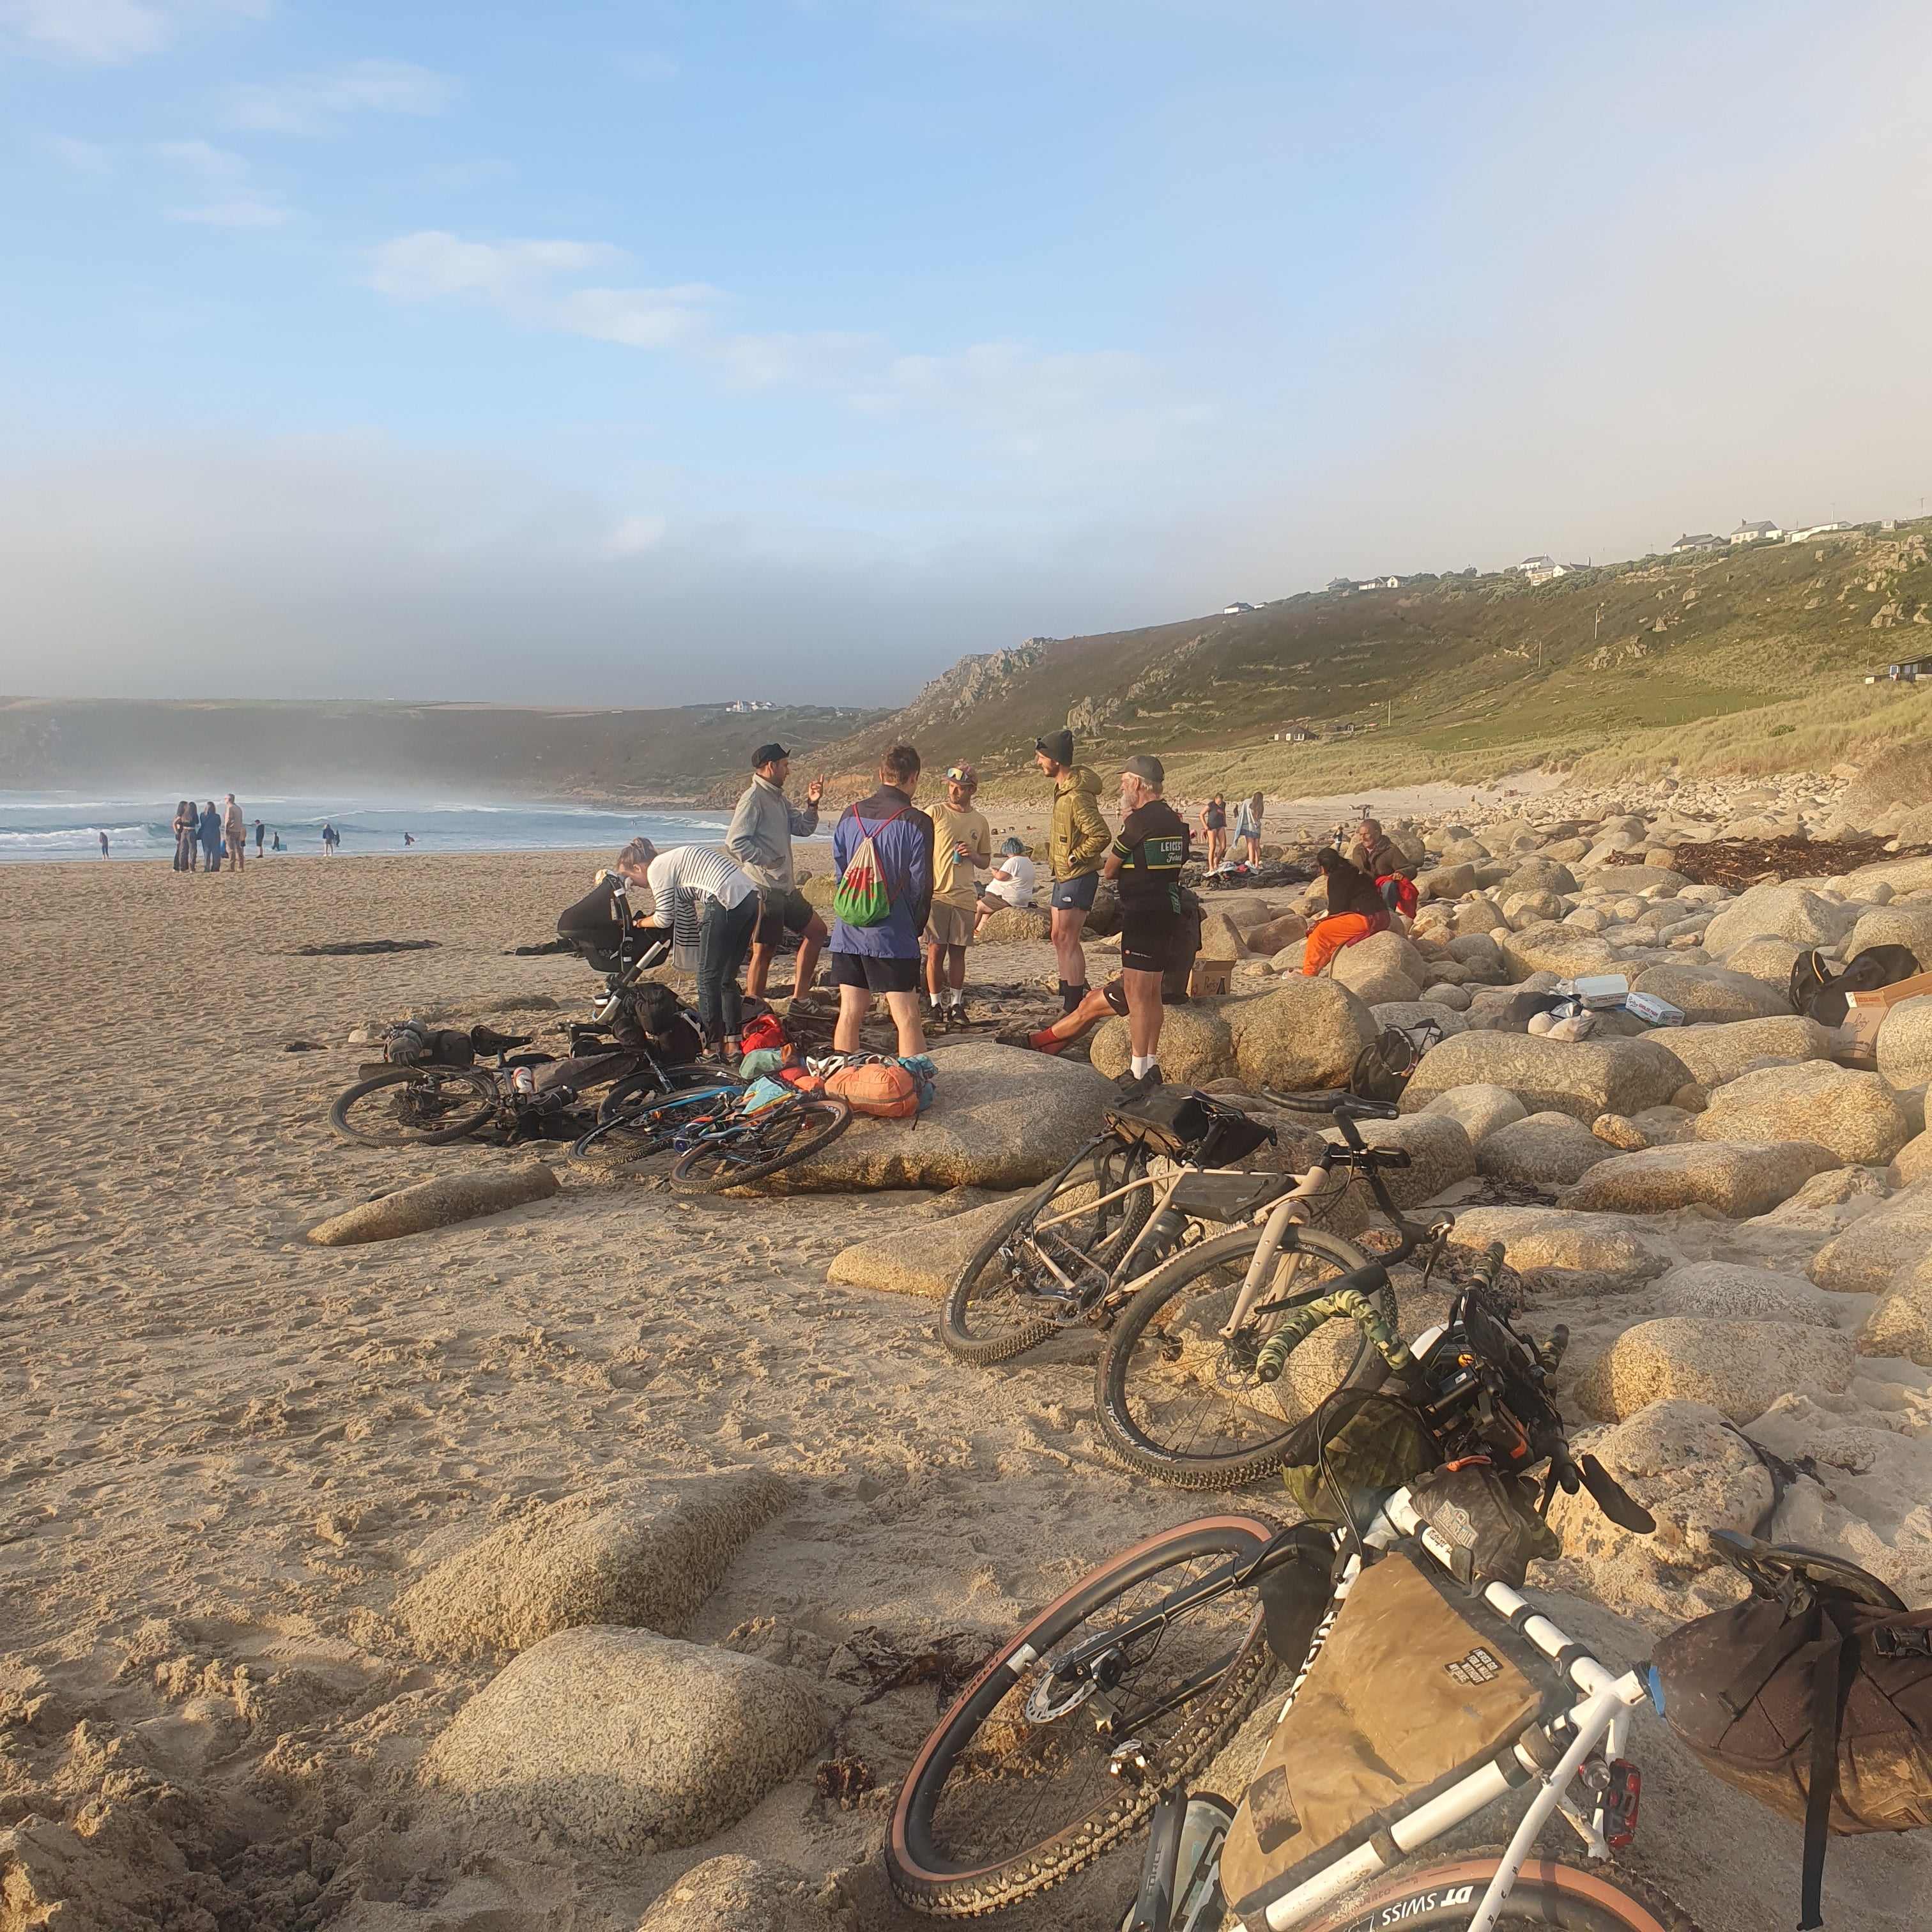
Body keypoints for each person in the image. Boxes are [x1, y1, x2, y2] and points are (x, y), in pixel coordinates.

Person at [829, 744, 933, 1058]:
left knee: (849, 1011)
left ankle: (843, 1082)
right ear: (913, 777)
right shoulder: (916, 822)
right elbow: (921, 884)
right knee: (906, 1017)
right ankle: (913, 1084)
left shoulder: (851, 814)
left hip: (848, 930)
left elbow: (840, 873)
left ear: (881, 775)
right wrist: (914, 926)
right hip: (893, 933)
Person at [1094, 755, 1190, 1096]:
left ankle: (1137, 1071)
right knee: (1152, 993)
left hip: (1142, 911)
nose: (1121, 788)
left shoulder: (1139, 821)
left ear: (1137, 784)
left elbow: (1109, 868)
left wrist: (1126, 823)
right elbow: (1179, 859)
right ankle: (1149, 1064)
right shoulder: (1174, 820)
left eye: (1124, 783)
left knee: (1137, 992)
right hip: (1168, 905)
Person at [617, 835, 760, 1058]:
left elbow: (664, 918)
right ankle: (732, 1044)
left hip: (725, 899)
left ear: (637, 867)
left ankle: (712, 1048)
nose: (635, 885)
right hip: (750, 897)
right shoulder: (670, 860)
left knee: (707, 978)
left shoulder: (656, 869)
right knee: (726, 978)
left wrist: (638, 923)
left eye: (630, 879)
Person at [1014, 890, 1204, 1055]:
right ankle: (1050, 1048)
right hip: (1170, 982)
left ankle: (1035, 1042)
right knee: (1092, 996)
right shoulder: (1188, 911)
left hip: (1156, 988)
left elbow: (1150, 955)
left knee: (1090, 1005)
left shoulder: (1161, 913)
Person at [726, 743, 828, 1006]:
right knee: (763, 951)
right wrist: (766, 861)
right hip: (764, 889)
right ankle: (755, 1009)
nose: (788, 771)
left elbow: (804, 828)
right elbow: (735, 842)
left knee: (817, 932)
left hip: (786, 889)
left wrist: (813, 804)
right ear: (771, 766)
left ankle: (801, 999)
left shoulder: (778, 798)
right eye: (785, 766)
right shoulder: (753, 799)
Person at [1035, 727, 1110, 1012]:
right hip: (1063, 876)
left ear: (1055, 760)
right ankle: (1068, 992)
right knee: (1058, 936)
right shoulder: (1063, 792)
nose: (1038, 762)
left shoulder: (1077, 796)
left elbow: (1101, 835)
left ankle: (1073, 1003)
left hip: (1077, 876)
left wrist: (1076, 857)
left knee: (1068, 938)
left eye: (1042, 757)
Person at [924, 763, 992, 1030]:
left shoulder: (980, 822)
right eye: (952, 786)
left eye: (961, 788)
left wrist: (972, 855)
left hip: (965, 895)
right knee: (935, 950)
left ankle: (956, 1004)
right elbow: (918, 845)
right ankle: (933, 1004)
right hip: (937, 894)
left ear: (972, 790)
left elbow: (986, 861)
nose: (954, 791)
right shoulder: (935, 812)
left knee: (958, 953)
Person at [1301, 847, 1390, 977]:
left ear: (1324, 868)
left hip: (1367, 918)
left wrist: (1320, 921)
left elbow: (1337, 908)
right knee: (1329, 933)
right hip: (1382, 915)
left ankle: (1309, 972)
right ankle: (1316, 968)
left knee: (1319, 932)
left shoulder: (1337, 877)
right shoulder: (1353, 870)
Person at [976, 838, 1038, 931]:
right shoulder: (1027, 861)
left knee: (978, 906)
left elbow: (1001, 877)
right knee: (987, 907)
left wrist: (995, 872)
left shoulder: (1014, 861)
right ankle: (978, 931)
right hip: (1021, 897)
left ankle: (967, 932)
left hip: (1007, 896)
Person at [1232, 791, 1264, 866]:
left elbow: (1242, 812)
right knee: (1257, 847)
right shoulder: (1261, 807)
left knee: (1250, 846)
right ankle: (1257, 863)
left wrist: (1236, 808)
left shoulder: (1248, 803)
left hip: (1249, 827)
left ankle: (1251, 862)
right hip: (1257, 828)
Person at [1200, 793, 1228, 872]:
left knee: (1223, 846)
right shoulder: (1211, 805)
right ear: (1216, 799)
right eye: (1219, 802)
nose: (1220, 803)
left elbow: (1224, 813)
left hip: (1220, 826)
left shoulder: (1223, 804)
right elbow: (1202, 814)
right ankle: (1211, 867)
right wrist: (1205, 826)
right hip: (1211, 827)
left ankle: (1217, 862)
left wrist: (1225, 821)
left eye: (1221, 802)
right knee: (1213, 847)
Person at [222, 793, 245, 873]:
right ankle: (241, 866)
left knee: (231, 849)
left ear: (229, 800)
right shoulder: (239, 808)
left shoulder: (230, 808)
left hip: (231, 830)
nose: (224, 800)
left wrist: (225, 830)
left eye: (225, 799)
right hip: (237, 830)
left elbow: (228, 820)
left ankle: (232, 867)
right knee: (238, 849)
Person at [172, 801, 196, 873]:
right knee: (182, 850)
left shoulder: (183, 815)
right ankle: (178, 867)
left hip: (182, 832)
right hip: (182, 832)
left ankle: (180, 867)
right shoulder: (182, 815)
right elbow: (174, 823)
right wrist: (177, 833)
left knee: (182, 850)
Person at [198, 801, 220, 874]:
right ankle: (215, 867)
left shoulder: (202, 815)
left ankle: (206, 867)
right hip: (215, 834)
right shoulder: (217, 816)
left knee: (206, 851)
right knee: (216, 852)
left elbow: (201, 823)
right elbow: (218, 824)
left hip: (205, 834)